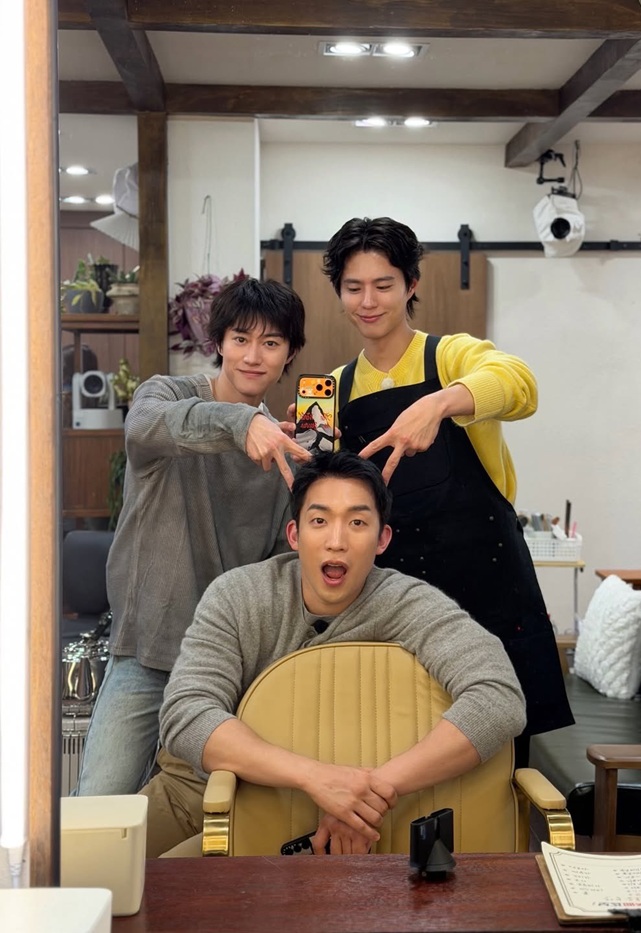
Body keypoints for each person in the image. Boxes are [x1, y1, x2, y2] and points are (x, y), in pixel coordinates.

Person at [143, 450, 526, 856]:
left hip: (368, 813)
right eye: (320, 521)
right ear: (295, 535)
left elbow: (498, 696)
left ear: (382, 539)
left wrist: (369, 794)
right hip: (203, 789)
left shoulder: (406, 602)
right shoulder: (238, 595)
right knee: (104, 868)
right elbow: (186, 713)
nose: (337, 541)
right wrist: (316, 777)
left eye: (357, 522)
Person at [323, 217, 574, 761]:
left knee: (502, 760)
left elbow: (520, 385)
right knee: (401, 752)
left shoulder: (451, 356)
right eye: (353, 287)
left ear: (411, 284)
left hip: (489, 583)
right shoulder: (335, 387)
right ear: (339, 293)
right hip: (394, 599)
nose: (368, 301)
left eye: (383, 284)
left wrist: (439, 403)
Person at [75, 277, 311, 796]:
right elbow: (145, 427)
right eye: (241, 339)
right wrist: (241, 424)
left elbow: (279, 568)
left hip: (225, 667)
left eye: (271, 343)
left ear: (289, 354)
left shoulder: (281, 453)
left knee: (214, 817)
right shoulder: (167, 394)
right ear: (219, 342)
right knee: (99, 805)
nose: (253, 356)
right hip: (147, 650)